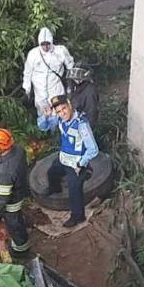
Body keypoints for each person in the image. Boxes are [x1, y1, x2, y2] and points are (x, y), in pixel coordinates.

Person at [38, 95, 99, 228]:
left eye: (64, 109)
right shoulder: (60, 120)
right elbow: (43, 127)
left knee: (74, 190)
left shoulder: (81, 124)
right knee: (52, 172)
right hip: (64, 158)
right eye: (58, 111)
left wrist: (81, 164)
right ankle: (55, 187)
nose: (62, 113)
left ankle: (78, 217)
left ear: (69, 105)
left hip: (76, 163)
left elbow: (93, 149)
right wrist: (46, 116)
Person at [0, 128, 31, 255]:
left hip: (12, 202)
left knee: (14, 225)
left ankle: (21, 250)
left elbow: (2, 198)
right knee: (15, 221)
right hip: (19, 188)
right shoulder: (18, 150)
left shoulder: (6, 171)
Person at [22, 27, 74, 118]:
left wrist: (71, 86)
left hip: (55, 88)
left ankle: (58, 129)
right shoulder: (33, 54)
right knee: (43, 114)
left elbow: (70, 67)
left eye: (48, 44)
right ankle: (45, 131)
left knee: (58, 111)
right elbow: (27, 73)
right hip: (40, 91)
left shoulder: (60, 51)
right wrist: (27, 90)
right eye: (43, 44)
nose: (45, 47)